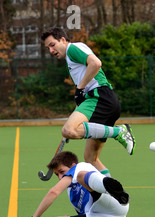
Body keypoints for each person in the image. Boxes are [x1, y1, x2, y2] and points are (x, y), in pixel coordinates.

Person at [41, 27, 136, 177]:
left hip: (100, 97)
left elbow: (96, 63)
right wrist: (80, 96)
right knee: (91, 159)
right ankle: (113, 194)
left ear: (63, 40)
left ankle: (120, 131)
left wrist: (79, 88)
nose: (51, 50)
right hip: (103, 100)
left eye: (52, 45)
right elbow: (84, 89)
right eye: (48, 48)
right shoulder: (70, 59)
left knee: (68, 130)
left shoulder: (73, 49)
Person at [21, 151, 130, 217]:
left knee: (82, 176)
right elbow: (85, 213)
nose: (60, 177)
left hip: (114, 202)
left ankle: (114, 191)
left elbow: (54, 192)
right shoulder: (70, 192)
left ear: (72, 166)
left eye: (62, 171)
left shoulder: (80, 167)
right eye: (56, 174)